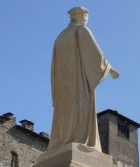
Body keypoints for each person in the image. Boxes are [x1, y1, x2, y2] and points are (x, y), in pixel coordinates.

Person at [48, 6, 120, 152]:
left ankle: (62, 142)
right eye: (86, 18)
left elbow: (53, 68)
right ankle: (80, 140)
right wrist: (110, 69)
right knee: (81, 115)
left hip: (62, 88)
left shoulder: (59, 38)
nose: (86, 21)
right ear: (81, 17)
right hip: (78, 85)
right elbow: (96, 56)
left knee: (65, 117)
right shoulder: (81, 31)